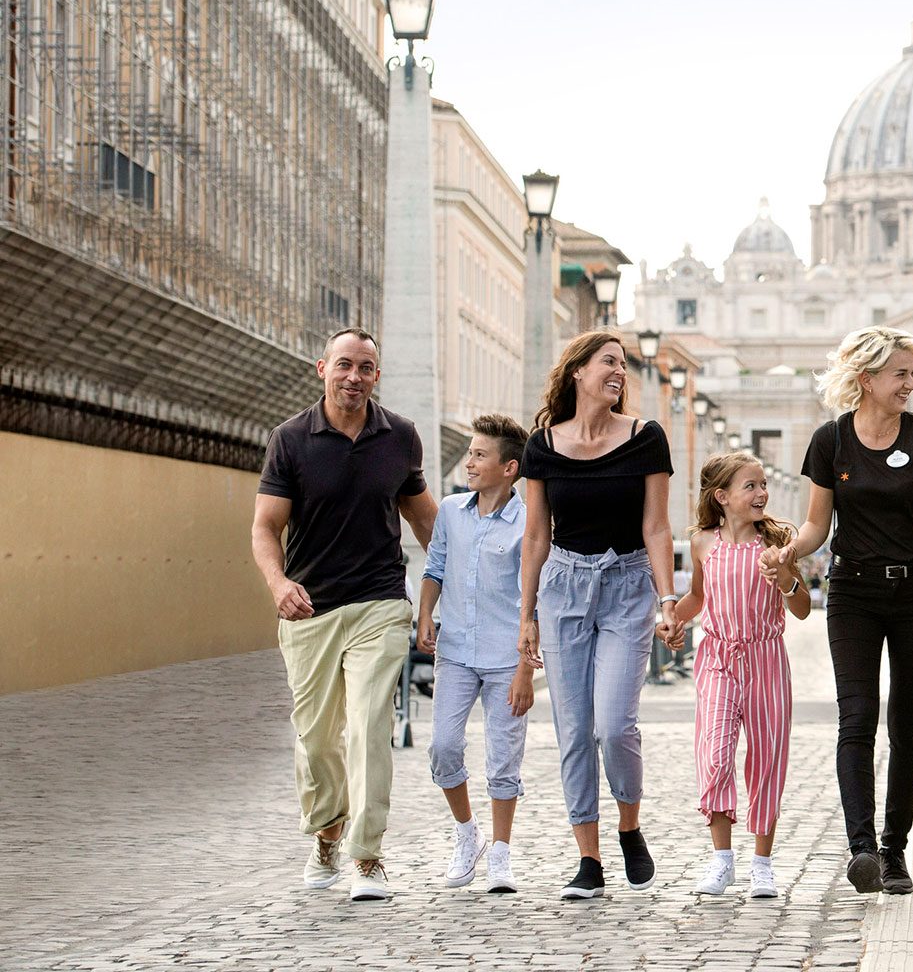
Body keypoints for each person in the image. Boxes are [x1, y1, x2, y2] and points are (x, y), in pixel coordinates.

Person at [761, 326, 913, 894]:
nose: (911, 383)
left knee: (907, 724)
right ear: (867, 379)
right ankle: (862, 851)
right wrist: (789, 548)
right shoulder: (830, 441)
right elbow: (816, 525)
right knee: (855, 719)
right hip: (852, 592)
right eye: (901, 374)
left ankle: (894, 850)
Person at [250, 327, 438, 902]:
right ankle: (327, 833)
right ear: (322, 369)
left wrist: (450, 593)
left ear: (377, 376)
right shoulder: (290, 439)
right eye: (344, 365)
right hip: (309, 610)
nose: (353, 376)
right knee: (315, 739)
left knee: (368, 724)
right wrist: (278, 582)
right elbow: (265, 527)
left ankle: (367, 854)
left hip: (379, 603)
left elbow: (423, 518)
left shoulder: (400, 437)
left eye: (365, 368)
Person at [517, 330, 686, 900]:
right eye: (607, 362)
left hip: (626, 585)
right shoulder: (541, 445)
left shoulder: (646, 438)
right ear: (577, 373)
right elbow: (536, 535)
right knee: (573, 731)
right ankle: (587, 860)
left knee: (614, 725)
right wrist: (527, 616)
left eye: (622, 365)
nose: (618, 372)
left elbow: (657, 526)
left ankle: (629, 826)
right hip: (562, 587)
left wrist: (667, 600)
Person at [673, 451, 810, 898]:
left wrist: (785, 576)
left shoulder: (777, 543)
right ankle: (722, 859)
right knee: (714, 752)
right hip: (716, 659)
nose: (762, 493)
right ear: (722, 496)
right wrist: (674, 619)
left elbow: (803, 608)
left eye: (763, 484)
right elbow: (698, 596)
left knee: (767, 758)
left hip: (766, 659)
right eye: (750, 486)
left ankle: (762, 863)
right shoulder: (702, 544)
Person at [416, 414, 536, 894]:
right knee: (443, 748)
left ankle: (502, 853)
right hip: (457, 651)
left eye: (479, 455)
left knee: (503, 757)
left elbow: (536, 598)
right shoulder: (450, 510)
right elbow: (435, 566)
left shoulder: (530, 521)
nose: (469, 461)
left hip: (507, 655)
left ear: (509, 468)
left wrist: (526, 669)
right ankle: (468, 834)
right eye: (470, 452)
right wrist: (426, 614)